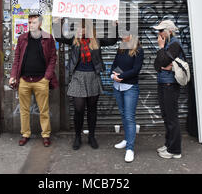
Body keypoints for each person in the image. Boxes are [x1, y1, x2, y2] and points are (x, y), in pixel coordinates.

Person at [53, 18, 118, 150]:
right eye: (79, 27)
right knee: (79, 108)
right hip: (78, 76)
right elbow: (59, 37)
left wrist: (114, 26)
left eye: (84, 27)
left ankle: (92, 136)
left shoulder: (96, 40)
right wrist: (57, 23)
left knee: (92, 109)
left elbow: (112, 41)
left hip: (93, 76)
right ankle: (77, 136)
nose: (81, 30)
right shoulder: (74, 40)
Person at [10, 14, 58, 147]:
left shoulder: (48, 38)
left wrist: (47, 77)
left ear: (40, 24)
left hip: (41, 80)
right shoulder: (22, 38)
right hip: (24, 80)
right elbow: (17, 58)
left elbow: (53, 58)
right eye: (29, 22)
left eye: (34, 22)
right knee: (24, 110)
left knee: (44, 110)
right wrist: (14, 75)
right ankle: (25, 134)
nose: (31, 25)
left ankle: (46, 135)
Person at [153, 20, 185, 159]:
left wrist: (161, 49)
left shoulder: (174, 44)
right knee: (166, 116)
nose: (159, 34)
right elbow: (157, 65)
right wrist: (163, 61)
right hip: (163, 83)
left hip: (170, 85)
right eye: (158, 31)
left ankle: (175, 150)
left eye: (161, 31)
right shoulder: (167, 45)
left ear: (169, 31)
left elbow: (164, 61)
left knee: (171, 117)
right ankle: (168, 144)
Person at [111, 34, 144, 163]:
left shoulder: (138, 50)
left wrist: (122, 76)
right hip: (117, 86)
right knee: (123, 114)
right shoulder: (121, 48)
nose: (121, 35)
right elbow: (114, 64)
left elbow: (136, 70)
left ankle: (130, 149)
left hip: (130, 87)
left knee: (129, 117)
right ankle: (126, 139)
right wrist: (112, 74)